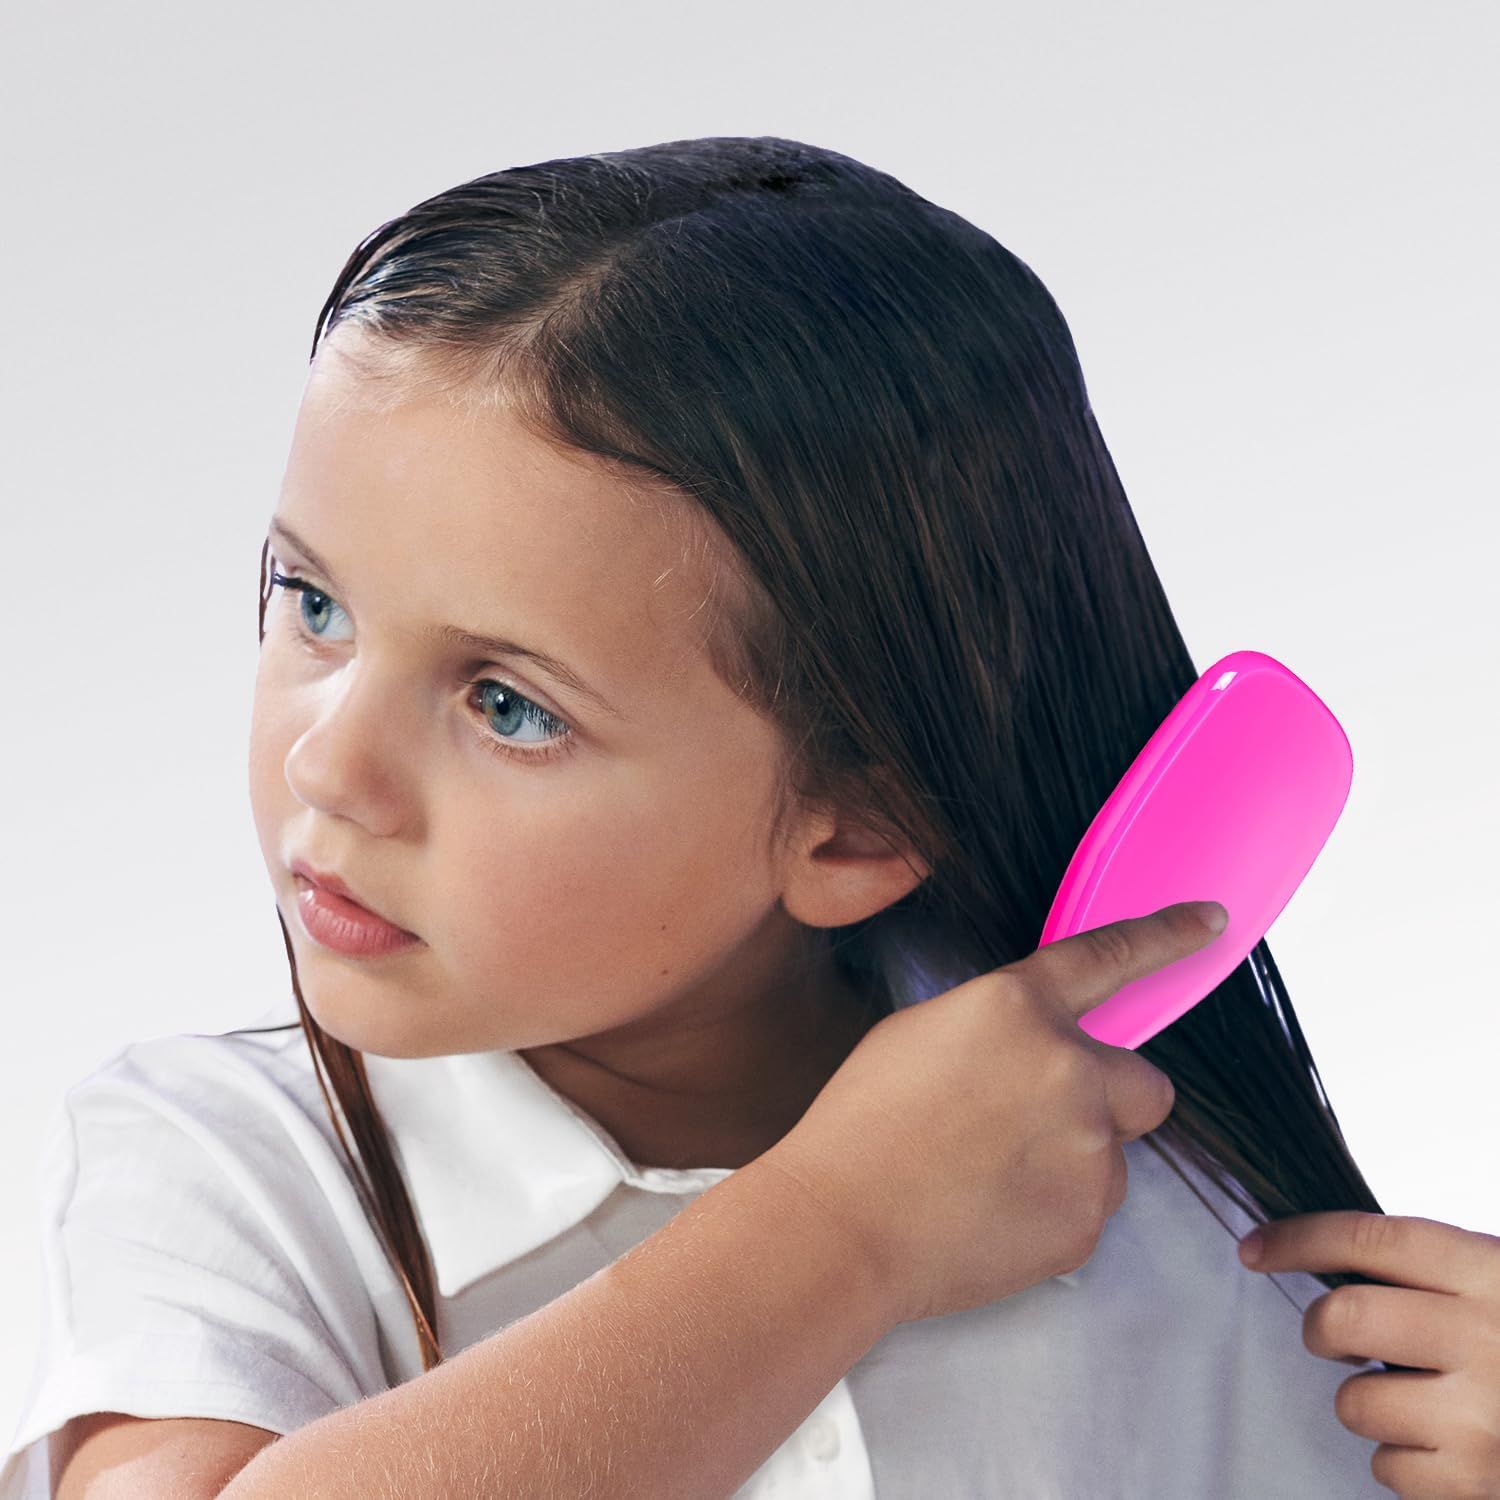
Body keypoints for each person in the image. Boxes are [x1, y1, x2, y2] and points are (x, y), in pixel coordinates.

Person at [4, 136, 1405, 1498]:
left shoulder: (1173, 1223)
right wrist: (843, 1228)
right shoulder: (229, 1162)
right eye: (314, 607)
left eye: (508, 705)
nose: (329, 767)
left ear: (855, 827)